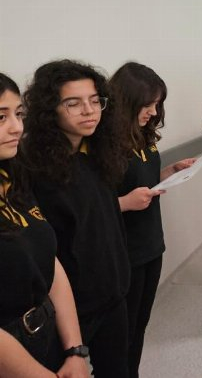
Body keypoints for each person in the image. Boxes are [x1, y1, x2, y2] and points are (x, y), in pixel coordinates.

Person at [20, 60, 130, 377]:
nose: (89, 110)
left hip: (112, 296)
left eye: (95, 100)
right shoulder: (31, 168)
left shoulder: (98, 152)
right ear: (49, 109)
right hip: (68, 309)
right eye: (74, 103)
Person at [0, 73, 89, 378]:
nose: (17, 127)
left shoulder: (13, 177)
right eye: (1, 117)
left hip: (47, 334)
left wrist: (75, 350)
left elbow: (47, 261)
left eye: (19, 113)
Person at [109, 62, 195, 378]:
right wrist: (124, 203)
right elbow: (92, 207)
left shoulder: (144, 136)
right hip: (125, 251)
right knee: (123, 331)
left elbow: (144, 181)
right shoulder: (107, 146)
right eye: (148, 104)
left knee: (140, 324)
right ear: (126, 101)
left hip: (151, 244)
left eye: (157, 104)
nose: (154, 112)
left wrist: (170, 172)